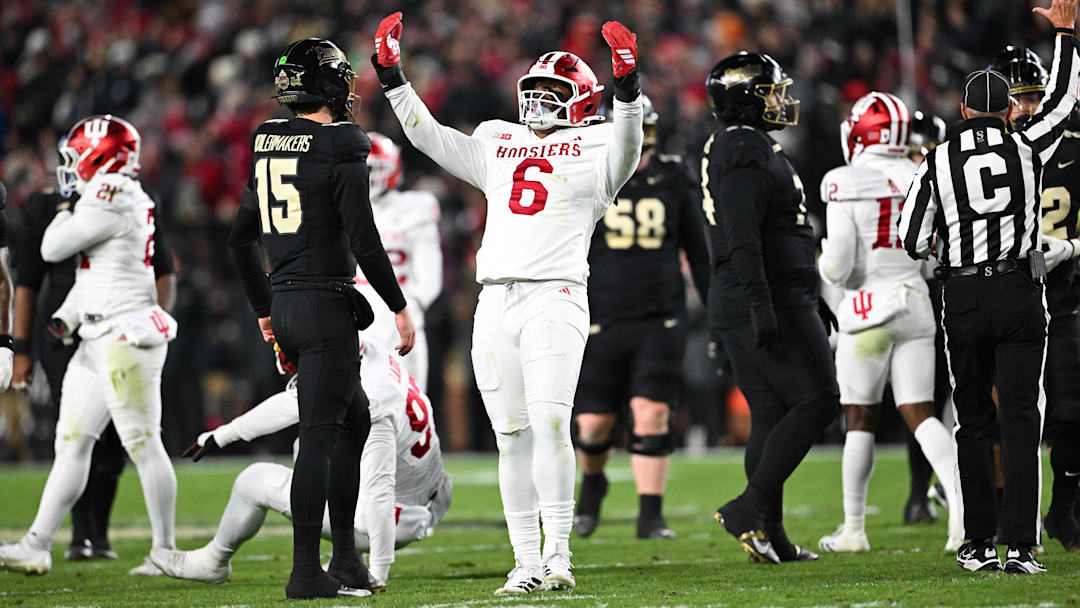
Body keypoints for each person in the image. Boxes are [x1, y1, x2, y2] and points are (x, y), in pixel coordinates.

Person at [370, 12, 643, 594]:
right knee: (512, 436)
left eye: (555, 93)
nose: (541, 101)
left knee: (550, 423)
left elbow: (626, 147)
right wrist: (392, 76)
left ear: (581, 102)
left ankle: (560, 554)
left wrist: (628, 89)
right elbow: (430, 136)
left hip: (556, 295)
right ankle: (524, 562)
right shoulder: (499, 140)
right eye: (536, 90)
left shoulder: (598, 142)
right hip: (495, 300)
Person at [227, 38, 416, 599]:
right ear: (328, 84)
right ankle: (307, 572)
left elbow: (239, 240)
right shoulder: (342, 146)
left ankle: (345, 560)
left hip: (287, 303)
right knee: (318, 437)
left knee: (354, 421)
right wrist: (399, 308)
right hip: (326, 306)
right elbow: (364, 238)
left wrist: (266, 309)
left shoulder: (267, 143)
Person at [898, 0, 1079, 574]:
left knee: (973, 419)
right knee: (1023, 418)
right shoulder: (1029, 147)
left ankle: (976, 544)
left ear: (963, 108)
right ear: (1008, 112)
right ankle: (1022, 547)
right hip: (1022, 294)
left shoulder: (938, 160)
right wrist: (1068, 35)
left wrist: (946, 245)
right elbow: (1067, 99)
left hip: (966, 295)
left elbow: (909, 236)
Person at [0, 115, 179, 576]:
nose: (69, 166)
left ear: (102, 155)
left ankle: (165, 550)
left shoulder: (110, 192)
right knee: (72, 442)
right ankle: (37, 543)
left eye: (77, 155)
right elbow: (99, 271)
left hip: (123, 335)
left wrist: (65, 211)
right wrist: (67, 317)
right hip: (96, 333)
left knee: (143, 444)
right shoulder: (111, 194)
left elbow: (52, 249)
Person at [152, 338, 451, 588]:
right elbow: (289, 405)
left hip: (392, 520)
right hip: (433, 495)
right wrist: (223, 435)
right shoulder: (368, 353)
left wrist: (378, 573)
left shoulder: (371, 401)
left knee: (253, 481)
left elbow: (379, 490)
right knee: (307, 444)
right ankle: (349, 555)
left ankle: (213, 561)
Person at [703, 51, 837, 564]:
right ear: (744, 97)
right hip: (763, 292)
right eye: (770, 91)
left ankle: (770, 535)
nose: (781, 100)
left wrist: (812, 293)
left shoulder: (744, 143)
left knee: (771, 411)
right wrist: (764, 302)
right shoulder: (742, 146)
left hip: (759, 290)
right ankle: (749, 509)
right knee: (820, 400)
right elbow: (743, 234)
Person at [815, 92, 962, 554]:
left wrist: (823, 267)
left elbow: (839, 266)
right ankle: (963, 517)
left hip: (867, 312)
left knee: (859, 419)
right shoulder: (921, 173)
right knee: (921, 415)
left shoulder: (845, 179)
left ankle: (854, 529)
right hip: (917, 304)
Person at [572, 95, 710, 541]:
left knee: (651, 414)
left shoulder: (673, 177)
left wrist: (715, 309)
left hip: (659, 315)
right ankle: (592, 485)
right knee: (593, 425)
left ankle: (651, 515)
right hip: (599, 316)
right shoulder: (585, 176)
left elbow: (697, 250)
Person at [995, 44, 1080, 551]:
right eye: (1015, 99)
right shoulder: (980, 151)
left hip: (1065, 289)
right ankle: (986, 513)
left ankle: (1064, 506)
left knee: (1069, 408)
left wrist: (1069, 247)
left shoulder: (1071, 138)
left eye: (1033, 97)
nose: (1024, 109)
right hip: (1002, 290)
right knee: (995, 410)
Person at [354, 132, 443, 391]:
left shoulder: (415, 207)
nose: (368, 176)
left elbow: (430, 276)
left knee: (411, 404)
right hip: (360, 314)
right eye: (363, 169)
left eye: (373, 168)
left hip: (400, 314)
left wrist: (413, 304)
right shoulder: (344, 208)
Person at [900, 110, 952, 525]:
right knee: (923, 398)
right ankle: (920, 492)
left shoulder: (953, 176)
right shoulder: (892, 180)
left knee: (965, 396)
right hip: (915, 295)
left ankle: (950, 485)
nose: (919, 158)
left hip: (951, 289)